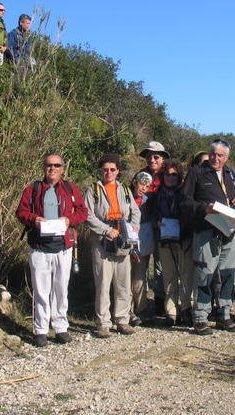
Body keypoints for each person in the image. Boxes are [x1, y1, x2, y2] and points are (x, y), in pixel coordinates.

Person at [15, 152, 88, 347]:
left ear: (62, 169)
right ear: (44, 167)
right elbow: (21, 212)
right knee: (41, 290)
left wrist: (69, 220)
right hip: (39, 247)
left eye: (56, 165)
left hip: (64, 247)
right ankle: (40, 329)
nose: (52, 168)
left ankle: (61, 327)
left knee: (60, 289)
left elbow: (82, 211)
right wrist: (34, 219)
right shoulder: (33, 189)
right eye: (49, 165)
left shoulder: (70, 189)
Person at [181, 139, 235, 335]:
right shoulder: (196, 172)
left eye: (221, 155)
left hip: (228, 231)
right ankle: (200, 317)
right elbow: (184, 202)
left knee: (226, 274)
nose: (216, 158)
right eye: (214, 154)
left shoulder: (230, 172)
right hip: (205, 230)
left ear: (227, 157)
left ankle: (224, 315)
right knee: (204, 274)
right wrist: (204, 208)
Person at [84, 154, 140, 338]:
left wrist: (133, 228)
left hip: (122, 240)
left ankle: (122, 319)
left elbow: (135, 210)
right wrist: (106, 230)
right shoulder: (94, 190)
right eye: (105, 169)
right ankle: (103, 323)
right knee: (103, 282)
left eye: (112, 169)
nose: (109, 173)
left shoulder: (124, 189)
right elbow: (88, 215)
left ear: (118, 171)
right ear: (100, 171)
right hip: (102, 242)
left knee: (123, 282)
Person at [152, 159, 194, 327]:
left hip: (184, 239)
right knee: (168, 276)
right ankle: (171, 311)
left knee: (186, 275)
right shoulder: (157, 194)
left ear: (179, 176)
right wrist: (157, 223)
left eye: (174, 175)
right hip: (164, 240)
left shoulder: (185, 193)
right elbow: (152, 214)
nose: (171, 177)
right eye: (168, 174)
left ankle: (186, 308)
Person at [136, 141, 170, 315]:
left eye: (156, 156)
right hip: (143, 226)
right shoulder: (140, 176)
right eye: (149, 156)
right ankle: (140, 305)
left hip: (164, 227)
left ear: (163, 158)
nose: (152, 159)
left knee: (161, 267)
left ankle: (160, 305)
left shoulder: (169, 176)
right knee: (140, 266)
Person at [129, 171, 153, 326]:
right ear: (134, 182)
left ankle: (141, 308)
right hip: (125, 241)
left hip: (142, 241)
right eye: (141, 183)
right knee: (124, 277)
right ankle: (127, 310)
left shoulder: (148, 201)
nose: (144, 188)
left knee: (140, 275)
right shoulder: (124, 196)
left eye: (147, 185)